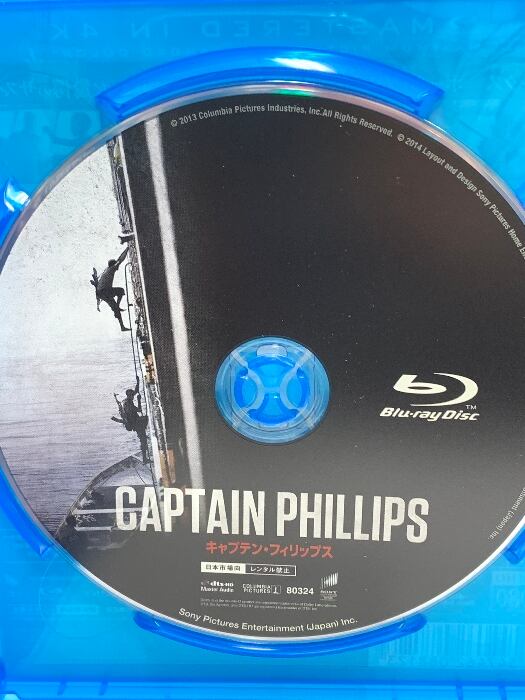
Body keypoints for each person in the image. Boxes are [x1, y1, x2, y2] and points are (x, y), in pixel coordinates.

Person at [112, 376, 149, 464]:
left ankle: (145, 458)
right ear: (129, 396)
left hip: (136, 422)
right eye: (132, 395)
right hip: (136, 424)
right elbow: (139, 410)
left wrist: (138, 382)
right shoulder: (129, 405)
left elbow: (136, 391)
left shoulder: (126, 400)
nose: (133, 397)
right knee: (143, 441)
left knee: (143, 440)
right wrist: (139, 400)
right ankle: (145, 459)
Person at [92, 247, 130, 331]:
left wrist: (97, 304)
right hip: (105, 291)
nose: (117, 268)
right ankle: (118, 306)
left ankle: (122, 327)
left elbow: (97, 289)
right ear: (113, 265)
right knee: (121, 290)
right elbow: (120, 260)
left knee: (115, 308)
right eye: (116, 266)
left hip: (102, 293)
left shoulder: (106, 271)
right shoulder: (111, 269)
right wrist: (127, 250)